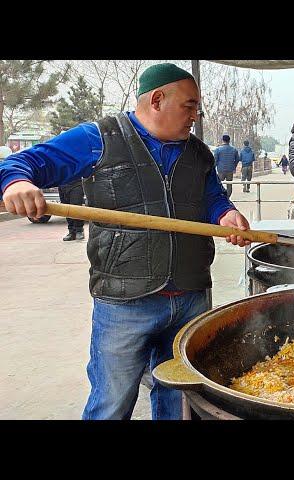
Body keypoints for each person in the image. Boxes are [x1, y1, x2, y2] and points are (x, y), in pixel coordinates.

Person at [0, 62, 251, 420]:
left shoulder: (197, 152)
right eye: (190, 105)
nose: (196, 114)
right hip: (125, 303)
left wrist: (226, 215)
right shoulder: (99, 139)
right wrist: (17, 184)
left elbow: (212, 198)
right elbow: (24, 163)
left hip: (191, 296)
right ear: (157, 100)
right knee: (112, 401)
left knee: (180, 399)